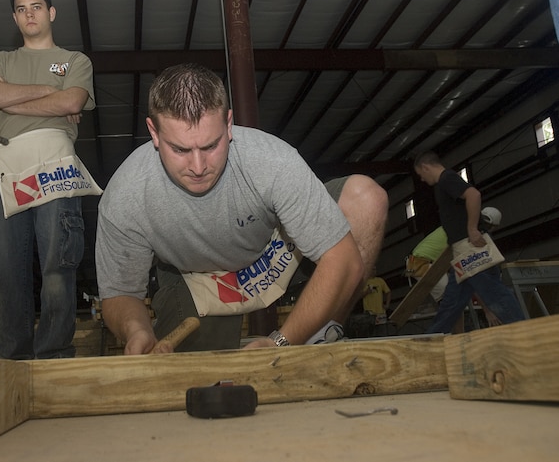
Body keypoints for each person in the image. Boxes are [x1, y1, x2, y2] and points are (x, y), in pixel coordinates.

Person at [95, 63, 389, 355]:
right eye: (180, 150)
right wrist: (136, 331)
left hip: (272, 251)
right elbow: (119, 292)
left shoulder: (272, 161)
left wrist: (281, 342)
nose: (198, 167)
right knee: (192, 383)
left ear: (229, 124)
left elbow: (344, 260)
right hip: (195, 279)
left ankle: (325, 332)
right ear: (154, 133)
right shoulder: (125, 196)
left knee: (365, 197)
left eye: (211, 146)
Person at [0, 0, 95, 359]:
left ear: (51, 13)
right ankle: (10, 358)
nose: (30, 13)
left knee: (57, 265)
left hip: (54, 158)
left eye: (37, 6)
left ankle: (53, 354)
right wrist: (48, 91)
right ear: (15, 17)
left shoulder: (75, 60)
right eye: (22, 8)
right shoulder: (0, 60)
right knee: (4, 268)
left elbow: (72, 102)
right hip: (4, 161)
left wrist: (9, 100)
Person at [413, 151, 524, 333]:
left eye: (420, 175)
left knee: (493, 292)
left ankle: (524, 331)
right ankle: (433, 339)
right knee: (452, 302)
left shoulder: (447, 178)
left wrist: (472, 229)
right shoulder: (443, 183)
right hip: (461, 250)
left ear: (425, 167)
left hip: (470, 248)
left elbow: (473, 195)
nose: (422, 180)